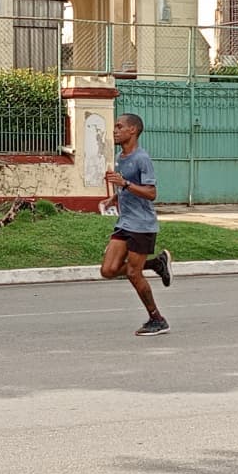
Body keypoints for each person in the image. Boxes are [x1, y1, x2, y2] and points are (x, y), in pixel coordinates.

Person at [98, 113, 173, 335]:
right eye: (115, 127)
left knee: (133, 273)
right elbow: (127, 188)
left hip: (143, 225)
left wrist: (124, 183)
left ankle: (157, 319)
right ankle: (156, 264)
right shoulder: (121, 157)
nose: (115, 130)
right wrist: (114, 197)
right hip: (125, 222)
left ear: (133, 130)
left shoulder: (142, 158)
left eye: (119, 126)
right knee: (108, 270)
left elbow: (151, 193)